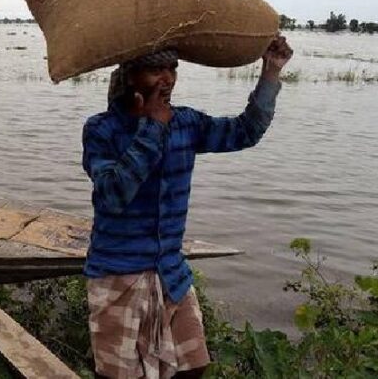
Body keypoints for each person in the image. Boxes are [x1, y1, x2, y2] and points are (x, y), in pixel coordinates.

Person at [82, 36, 293, 379]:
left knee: (194, 367)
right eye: (155, 70)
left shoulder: (186, 123)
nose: (166, 78)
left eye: (171, 69)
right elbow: (113, 194)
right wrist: (152, 128)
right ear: (132, 76)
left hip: (171, 273)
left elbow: (245, 131)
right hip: (118, 272)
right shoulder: (102, 129)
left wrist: (270, 72)